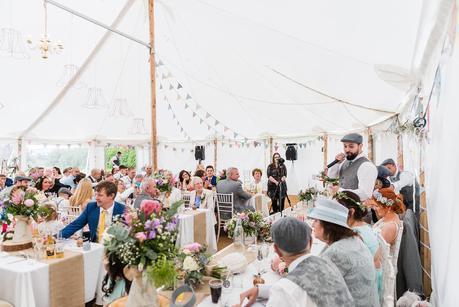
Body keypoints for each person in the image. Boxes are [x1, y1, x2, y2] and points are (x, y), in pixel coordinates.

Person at [237, 217, 354, 307]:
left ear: (277, 251)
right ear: (311, 242)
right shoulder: (327, 263)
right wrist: (261, 290)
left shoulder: (285, 290)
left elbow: (292, 291)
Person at [309, 198, 379, 307]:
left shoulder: (337, 252)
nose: (312, 225)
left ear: (327, 225)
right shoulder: (354, 240)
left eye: (316, 220)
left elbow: (315, 289)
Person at [334, 190, 381, 301]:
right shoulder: (365, 226)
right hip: (373, 280)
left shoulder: (356, 235)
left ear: (351, 212)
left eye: (337, 211)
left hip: (367, 288)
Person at [370, 188, 405, 306]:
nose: (374, 208)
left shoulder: (389, 226)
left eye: (377, 206)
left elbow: (377, 253)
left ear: (388, 207)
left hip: (381, 270)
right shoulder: (388, 219)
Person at [327, 133, 377, 201]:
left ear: (360, 146)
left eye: (351, 146)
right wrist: (336, 163)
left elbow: (365, 194)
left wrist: (340, 191)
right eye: (345, 146)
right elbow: (331, 178)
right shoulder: (345, 161)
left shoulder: (367, 166)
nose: (347, 150)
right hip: (341, 207)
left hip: (355, 210)